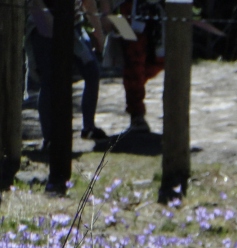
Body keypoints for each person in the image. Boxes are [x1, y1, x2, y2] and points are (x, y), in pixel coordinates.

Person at [27, 0, 109, 148]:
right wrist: (49, 24)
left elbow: (88, 2)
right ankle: (49, 138)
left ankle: (88, 127)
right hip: (41, 22)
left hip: (73, 25)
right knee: (49, 80)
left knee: (92, 72)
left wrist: (98, 32)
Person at [99, 0, 164, 133]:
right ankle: (136, 114)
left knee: (160, 59)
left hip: (159, 10)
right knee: (133, 62)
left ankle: (137, 90)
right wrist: (106, 13)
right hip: (125, 12)